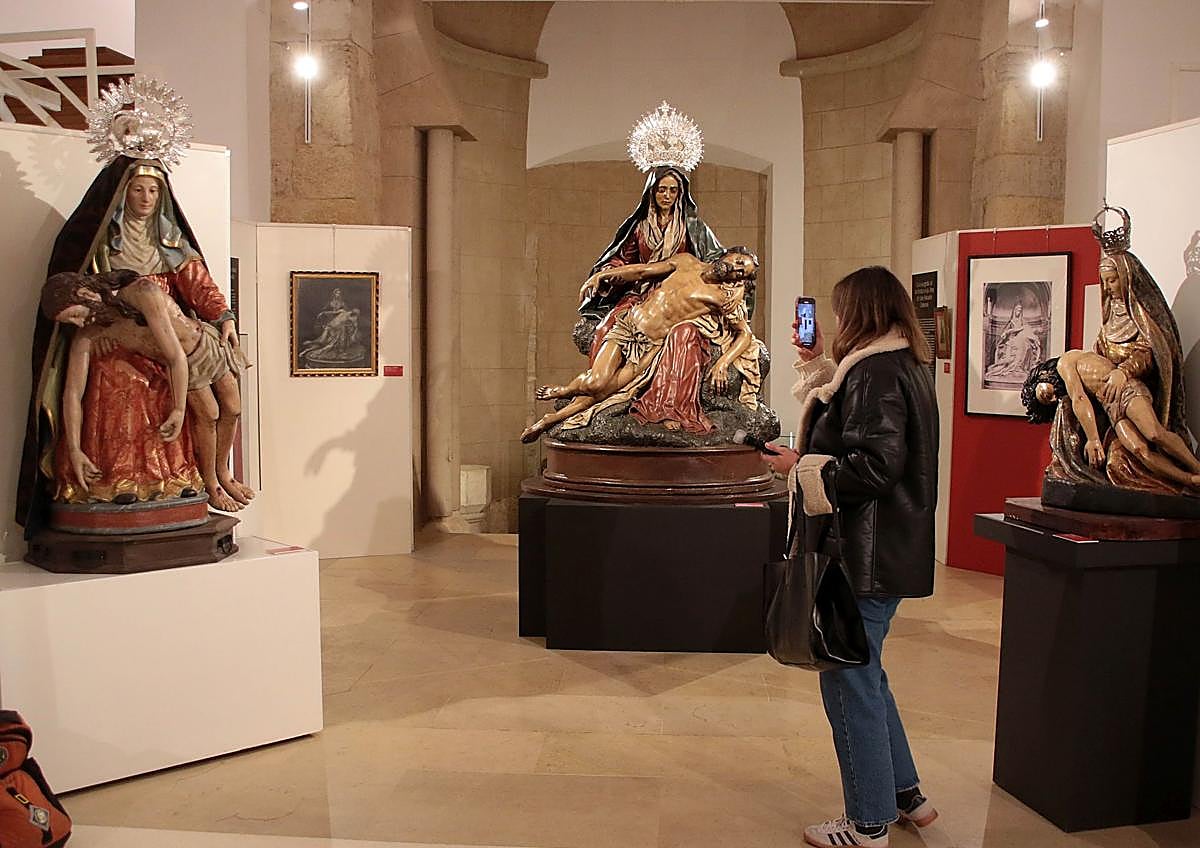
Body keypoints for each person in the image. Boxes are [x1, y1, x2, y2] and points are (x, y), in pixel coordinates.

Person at [761, 266, 939, 848]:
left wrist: (800, 469)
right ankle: (906, 794)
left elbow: (874, 467)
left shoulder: (876, 373)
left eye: (841, 312)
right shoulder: (897, 364)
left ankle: (867, 822)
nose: (835, 322)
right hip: (881, 549)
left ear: (861, 312)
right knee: (868, 673)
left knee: (848, 679)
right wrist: (813, 361)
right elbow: (846, 415)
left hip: (864, 555)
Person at [17, 157, 246, 532]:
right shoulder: (100, 242)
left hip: (175, 340)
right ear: (122, 194)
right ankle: (119, 481)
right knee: (123, 382)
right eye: (137, 189)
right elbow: (84, 310)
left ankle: (207, 475)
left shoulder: (170, 242)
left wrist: (224, 316)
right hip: (126, 339)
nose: (145, 197)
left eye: (153, 190)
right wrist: (96, 330)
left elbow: (199, 288)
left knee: (226, 406)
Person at [42, 270, 253, 511]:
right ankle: (213, 482)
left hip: (203, 344)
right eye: (71, 322)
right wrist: (74, 450)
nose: (79, 324)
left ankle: (224, 472)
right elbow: (72, 394)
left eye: (76, 315)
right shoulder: (91, 334)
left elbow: (175, 357)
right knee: (210, 416)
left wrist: (178, 409)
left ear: (85, 294)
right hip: (188, 368)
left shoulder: (141, 292)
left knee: (233, 409)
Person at [522, 248, 762, 443]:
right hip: (628, 326)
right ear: (728, 253)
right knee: (596, 381)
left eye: (742, 272)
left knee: (605, 392)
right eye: (738, 261)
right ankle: (566, 392)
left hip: (649, 348)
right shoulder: (686, 261)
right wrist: (601, 276)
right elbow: (643, 272)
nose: (736, 268)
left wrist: (722, 363)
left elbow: (745, 334)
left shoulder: (723, 298)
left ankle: (549, 419)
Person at [1021, 354, 1200, 491]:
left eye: (1045, 393)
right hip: (1111, 408)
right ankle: (1188, 480)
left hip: (1124, 390)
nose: (1053, 398)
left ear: (1043, 377)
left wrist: (1093, 440)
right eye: (1049, 402)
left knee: (1154, 433)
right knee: (1139, 450)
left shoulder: (1065, 362)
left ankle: (1196, 466)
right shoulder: (1064, 392)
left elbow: (1079, 398)